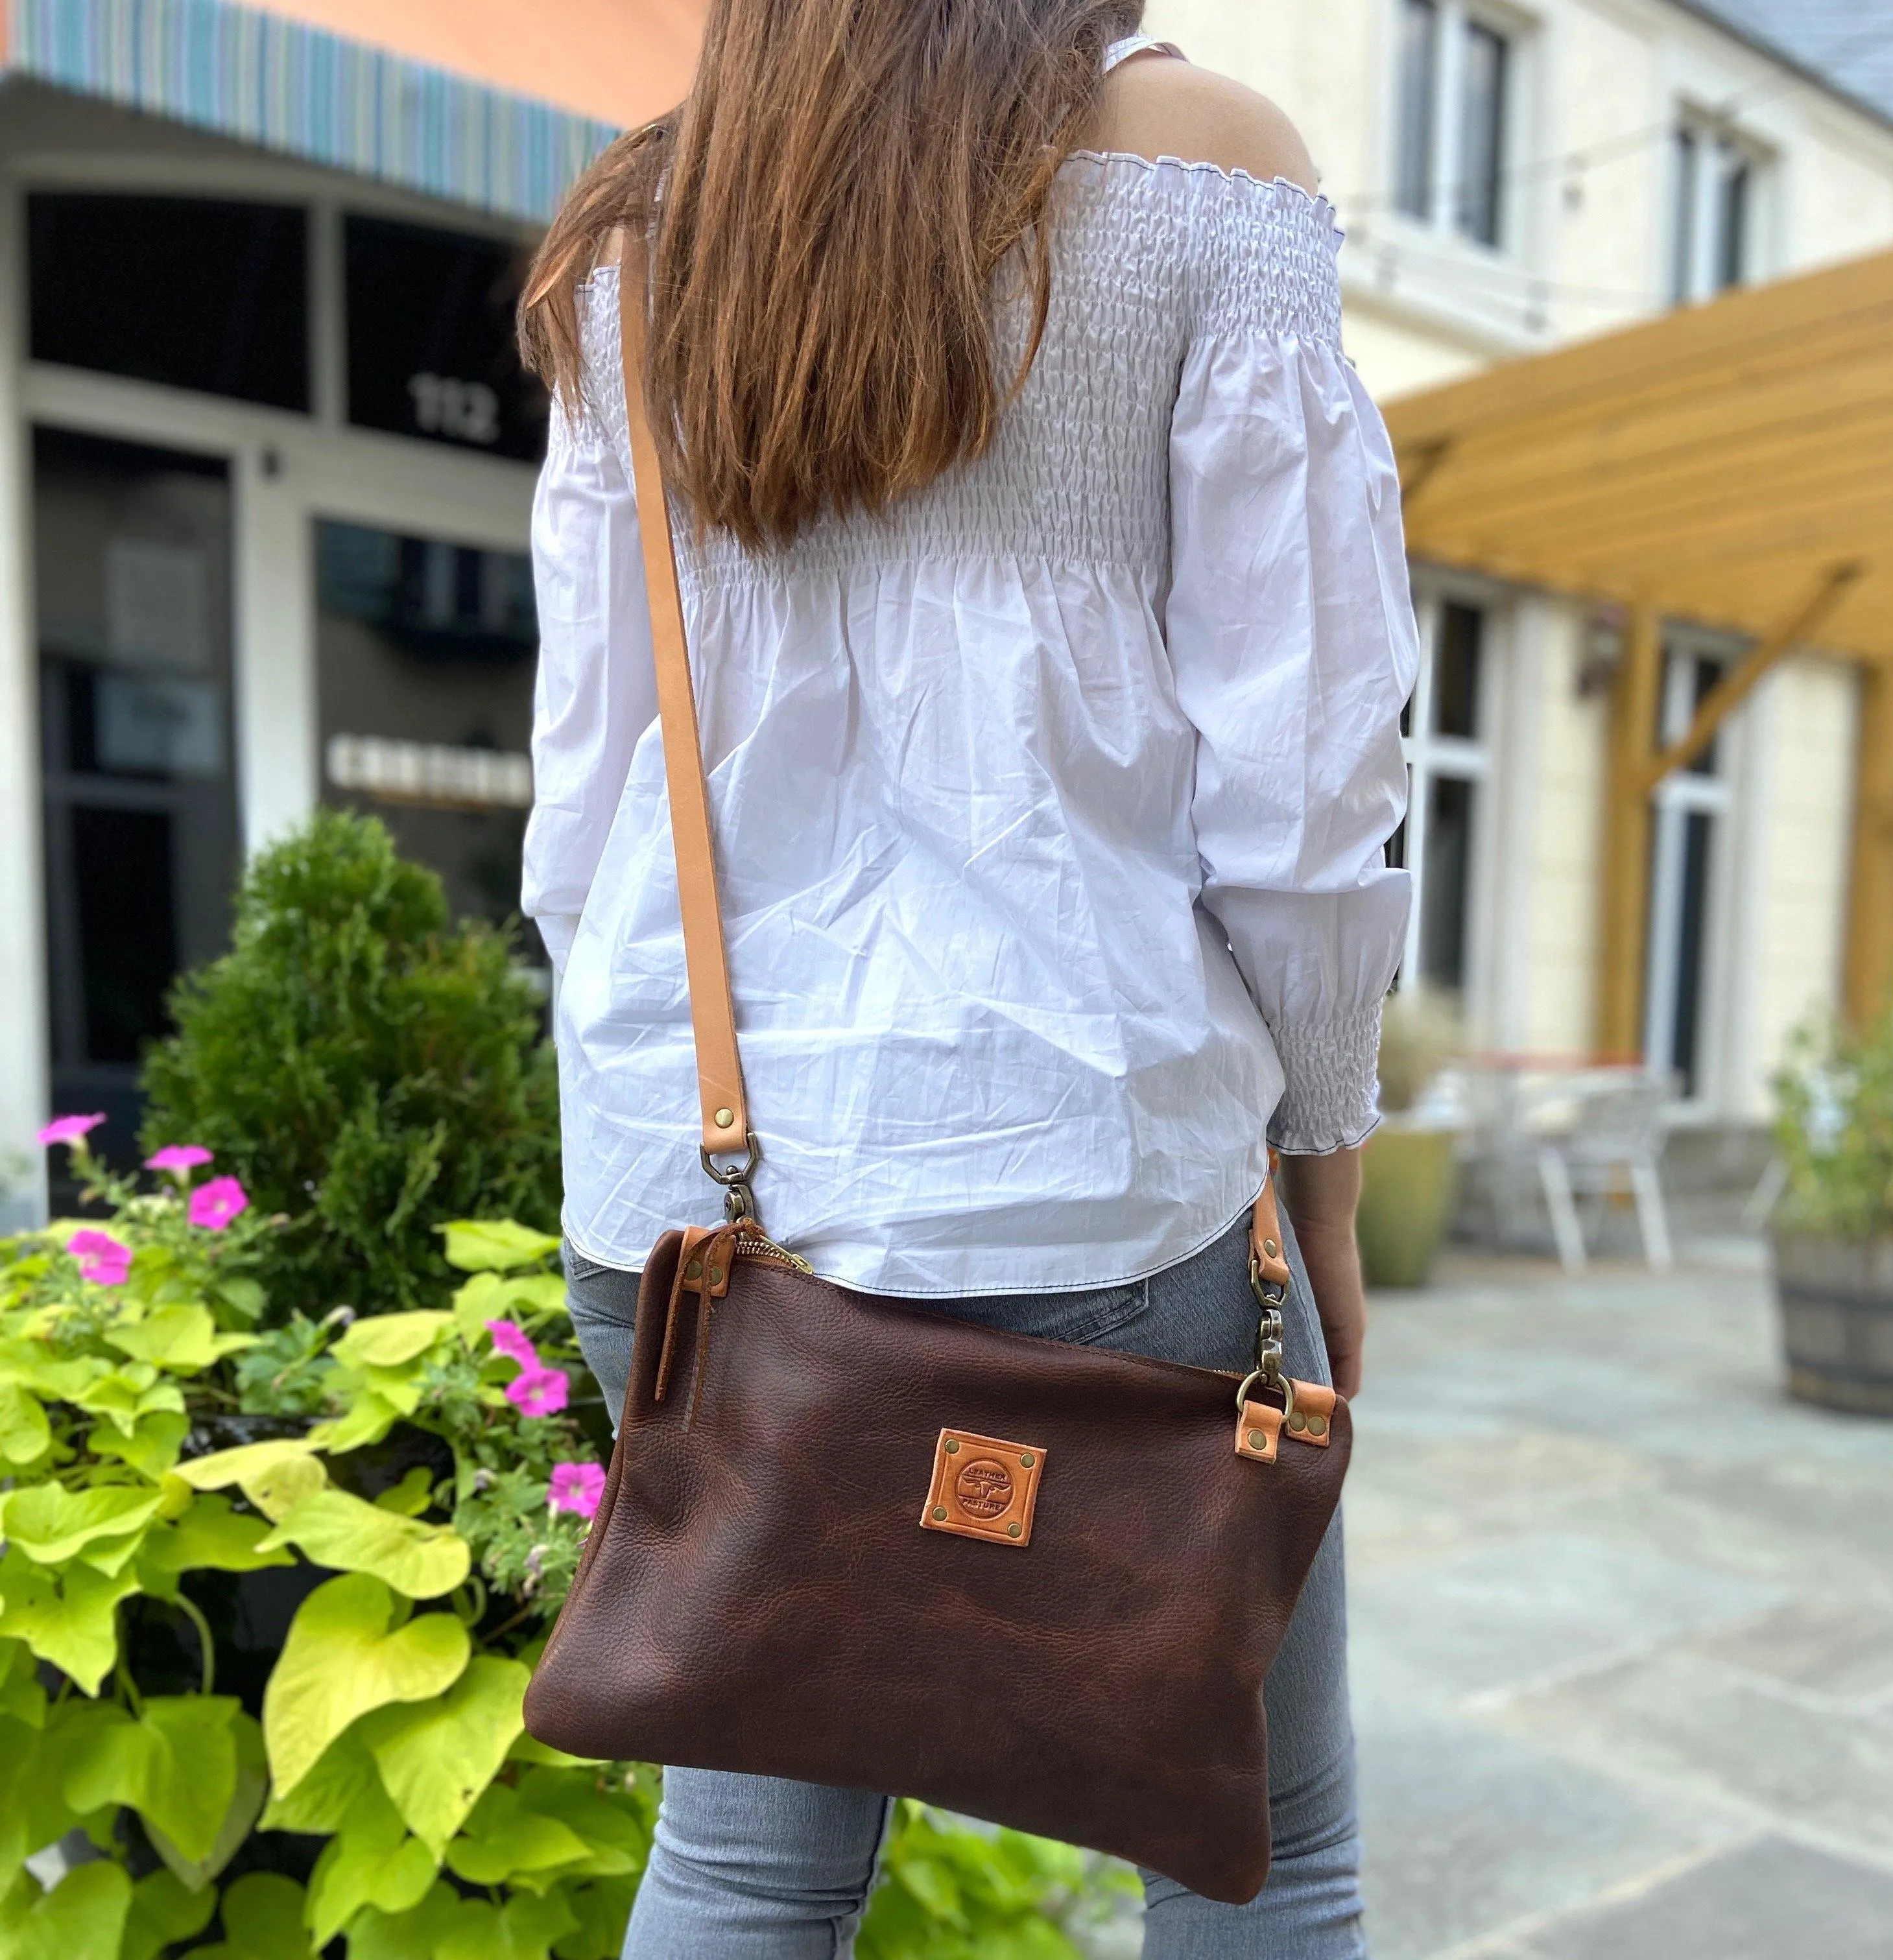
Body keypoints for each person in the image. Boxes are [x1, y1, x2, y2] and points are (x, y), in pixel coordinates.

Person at [518, 4, 1415, 1952]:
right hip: (1092, 1173)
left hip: (698, 1196)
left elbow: (585, 813)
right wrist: (1325, 1177)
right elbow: (1305, 795)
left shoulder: (649, 234)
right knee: (1257, 1846)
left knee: (745, 1864)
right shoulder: (1207, 179)